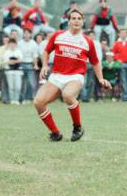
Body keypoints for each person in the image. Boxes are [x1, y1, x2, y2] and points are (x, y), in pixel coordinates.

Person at [33, 9, 111, 141]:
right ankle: (55, 133)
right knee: (38, 102)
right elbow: (46, 51)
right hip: (56, 76)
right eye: (73, 18)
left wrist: (101, 78)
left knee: (68, 95)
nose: (76, 20)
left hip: (75, 76)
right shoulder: (58, 35)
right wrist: (45, 65)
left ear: (83, 22)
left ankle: (77, 127)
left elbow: (95, 62)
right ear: (68, 21)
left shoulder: (87, 42)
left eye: (79, 18)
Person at [18, 28, 40, 103]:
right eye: (25, 33)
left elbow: (35, 56)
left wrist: (35, 65)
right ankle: (22, 99)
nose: (26, 35)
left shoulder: (33, 43)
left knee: (31, 83)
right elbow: (18, 54)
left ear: (30, 34)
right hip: (21, 64)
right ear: (23, 34)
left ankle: (30, 98)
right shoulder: (20, 43)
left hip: (30, 64)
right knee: (22, 83)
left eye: (28, 33)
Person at [112, 29, 127, 101]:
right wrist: (118, 59)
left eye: (125, 33)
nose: (123, 34)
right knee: (124, 81)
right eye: (122, 33)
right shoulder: (116, 43)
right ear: (119, 34)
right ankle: (125, 97)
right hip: (122, 65)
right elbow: (113, 54)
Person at [2, 39, 23, 104]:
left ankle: (16, 99)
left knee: (18, 86)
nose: (12, 45)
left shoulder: (19, 51)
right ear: (9, 44)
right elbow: (5, 61)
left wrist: (13, 61)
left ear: (16, 44)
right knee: (11, 86)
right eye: (11, 43)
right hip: (9, 71)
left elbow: (21, 60)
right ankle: (12, 100)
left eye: (13, 43)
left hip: (18, 71)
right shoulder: (6, 52)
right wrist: (12, 61)